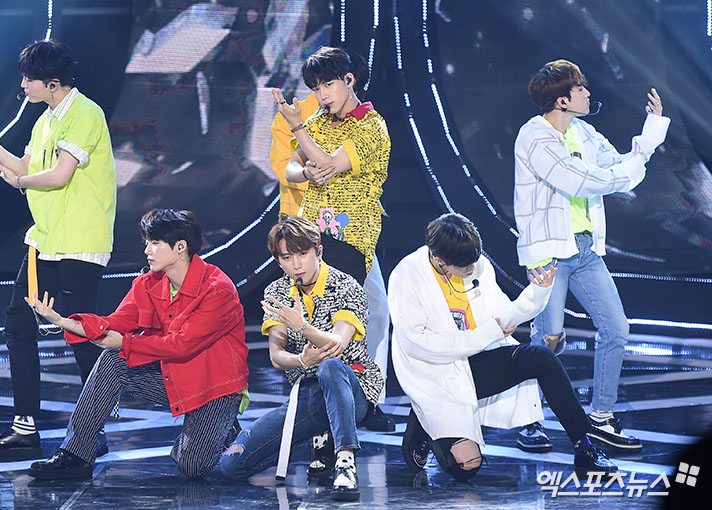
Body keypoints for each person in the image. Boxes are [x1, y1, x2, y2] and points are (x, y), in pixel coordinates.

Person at [0, 40, 117, 459]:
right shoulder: (45, 120)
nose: (23, 86)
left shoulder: (85, 113)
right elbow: (27, 168)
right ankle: (24, 427)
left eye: (28, 79)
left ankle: (94, 428)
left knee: (80, 334)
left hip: (80, 240)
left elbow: (59, 175)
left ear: (52, 82)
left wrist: (20, 183)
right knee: (18, 326)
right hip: (45, 239)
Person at [514, 59, 670, 451]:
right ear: (562, 100)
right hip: (549, 253)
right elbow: (578, 179)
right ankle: (529, 420)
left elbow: (619, 165)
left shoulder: (583, 131)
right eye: (580, 88)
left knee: (616, 328)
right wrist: (626, 176)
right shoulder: (534, 136)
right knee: (547, 339)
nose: (587, 92)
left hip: (583, 248)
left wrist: (650, 132)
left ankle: (601, 416)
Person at [388, 213, 617, 481]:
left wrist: (536, 293)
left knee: (541, 357)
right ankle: (422, 422)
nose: (472, 269)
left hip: (475, 362)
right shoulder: (407, 274)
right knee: (467, 467)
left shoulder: (478, 265)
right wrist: (486, 334)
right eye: (465, 267)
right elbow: (418, 344)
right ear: (440, 260)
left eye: (474, 262)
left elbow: (501, 315)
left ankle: (585, 447)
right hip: (435, 374)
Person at [26, 209, 249, 479]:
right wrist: (63, 321)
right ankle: (76, 453)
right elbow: (117, 322)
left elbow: (182, 345)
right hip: (175, 376)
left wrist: (126, 342)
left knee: (191, 466)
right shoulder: (148, 283)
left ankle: (224, 428)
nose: (147, 250)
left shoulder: (217, 289)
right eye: (147, 242)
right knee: (113, 361)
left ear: (180, 247)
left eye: (154, 243)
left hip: (214, 387)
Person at [271, 46, 393, 432]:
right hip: (314, 237)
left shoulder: (371, 125)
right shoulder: (318, 122)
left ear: (349, 80)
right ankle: (323, 400)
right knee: (323, 316)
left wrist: (299, 131)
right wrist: (306, 172)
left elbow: (328, 163)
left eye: (328, 85)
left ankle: (364, 395)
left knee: (371, 313)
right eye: (316, 88)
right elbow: (293, 168)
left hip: (353, 237)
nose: (322, 95)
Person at [221, 216, 383, 501]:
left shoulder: (346, 286)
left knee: (331, 366)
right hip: (307, 394)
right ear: (278, 261)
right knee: (232, 464)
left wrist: (303, 327)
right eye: (287, 257)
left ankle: (345, 462)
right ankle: (312, 441)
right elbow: (277, 355)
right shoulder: (277, 292)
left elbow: (337, 345)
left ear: (318, 251)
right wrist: (303, 361)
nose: (296, 264)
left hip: (352, 389)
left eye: (302, 254)